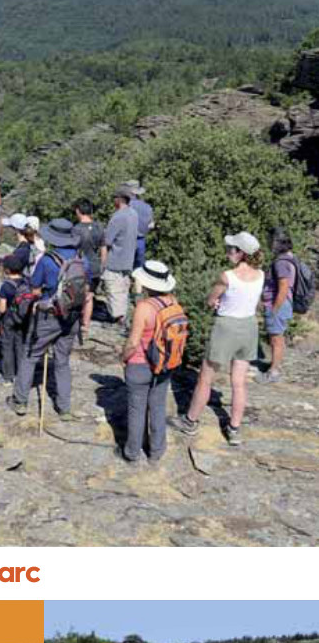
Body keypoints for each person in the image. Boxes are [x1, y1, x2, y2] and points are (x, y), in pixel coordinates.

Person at [169, 232, 264, 447]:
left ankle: (190, 421)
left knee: (205, 377)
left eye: (232, 249)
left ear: (241, 253)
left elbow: (211, 300)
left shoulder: (226, 276)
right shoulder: (261, 275)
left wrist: (215, 303)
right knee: (239, 382)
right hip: (249, 327)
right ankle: (234, 429)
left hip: (226, 327)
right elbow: (255, 302)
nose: (228, 252)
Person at [9, 218, 93, 419]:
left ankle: (20, 401)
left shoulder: (47, 260)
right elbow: (87, 289)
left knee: (30, 356)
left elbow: (36, 290)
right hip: (72, 317)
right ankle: (64, 408)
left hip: (49, 316)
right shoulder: (83, 260)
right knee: (62, 361)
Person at [121, 261, 179, 465]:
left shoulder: (143, 308)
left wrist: (123, 358)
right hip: (164, 365)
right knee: (157, 406)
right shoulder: (173, 302)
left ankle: (133, 452)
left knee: (137, 409)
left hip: (140, 364)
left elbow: (133, 342)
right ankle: (156, 451)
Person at [259, 227, 296, 384]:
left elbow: (283, 286)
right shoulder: (290, 257)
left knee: (276, 339)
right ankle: (274, 366)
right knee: (277, 338)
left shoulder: (281, 263)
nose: (269, 244)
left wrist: (274, 309)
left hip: (278, 305)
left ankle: (273, 372)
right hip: (283, 304)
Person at [100, 187, 139, 326]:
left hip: (115, 260)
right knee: (122, 291)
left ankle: (118, 321)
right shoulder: (134, 214)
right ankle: (123, 319)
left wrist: (102, 262)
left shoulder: (118, 217)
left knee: (114, 292)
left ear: (119, 199)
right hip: (128, 260)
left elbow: (107, 241)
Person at [0, 254, 29, 385]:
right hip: (23, 318)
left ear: (7, 270)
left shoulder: (6, 286)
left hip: (9, 320)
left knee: (7, 347)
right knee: (20, 346)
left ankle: (8, 376)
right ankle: (21, 375)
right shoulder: (27, 282)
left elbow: (2, 309)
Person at [73, 199, 104, 295]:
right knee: (91, 296)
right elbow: (104, 249)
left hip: (81, 269)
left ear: (78, 211)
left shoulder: (76, 229)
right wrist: (102, 267)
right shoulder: (99, 227)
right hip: (95, 268)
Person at [123, 181, 155, 270]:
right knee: (139, 270)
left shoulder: (126, 206)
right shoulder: (148, 207)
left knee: (125, 268)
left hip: (127, 240)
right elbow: (151, 225)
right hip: (141, 241)